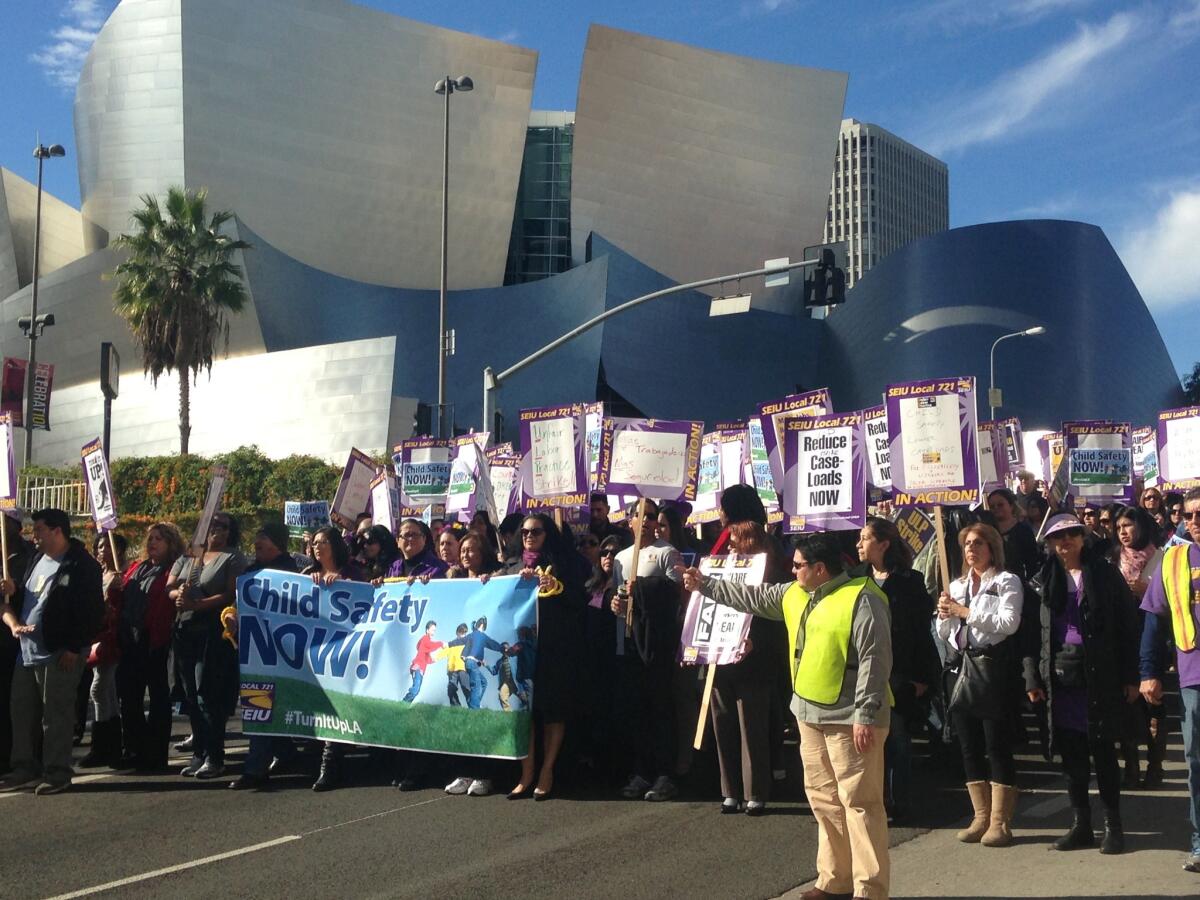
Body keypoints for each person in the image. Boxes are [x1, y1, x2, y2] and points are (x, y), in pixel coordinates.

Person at [681, 533, 892, 900]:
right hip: (809, 713)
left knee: (859, 803)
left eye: (797, 565)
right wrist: (706, 585)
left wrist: (866, 712)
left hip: (851, 718)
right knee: (824, 800)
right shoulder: (794, 594)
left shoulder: (864, 598)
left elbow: (875, 659)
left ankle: (870, 890)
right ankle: (834, 879)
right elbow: (749, 597)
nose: (790, 570)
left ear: (820, 569)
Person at [1026, 514, 1140, 854]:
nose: (1065, 542)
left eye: (1072, 535)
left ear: (1081, 538)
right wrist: (1032, 676)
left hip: (1100, 675)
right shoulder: (1041, 580)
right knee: (1072, 757)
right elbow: (1031, 635)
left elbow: (1127, 625)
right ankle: (1081, 825)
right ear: (1048, 543)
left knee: (1103, 753)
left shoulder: (1104, 575)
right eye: (1057, 537)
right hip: (1060, 677)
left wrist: (1131, 676)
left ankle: (1113, 826)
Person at [0, 509, 104, 795]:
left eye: (40, 530)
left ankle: (57, 772)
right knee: (21, 711)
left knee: (55, 715)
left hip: (60, 652)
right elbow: (27, 599)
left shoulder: (82, 565)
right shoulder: (37, 560)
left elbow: (93, 612)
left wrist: (74, 646)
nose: (35, 537)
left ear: (58, 531)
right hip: (27, 651)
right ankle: (24, 767)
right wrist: (14, 591)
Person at [937, 522, 1023, 848]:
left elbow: (1007, 624)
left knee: (995, 744)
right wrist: (946, 615)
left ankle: (1000, 821)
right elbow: (945, 633)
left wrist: (965, 612)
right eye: (967, 544)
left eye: (978, 544)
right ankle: (980, 816)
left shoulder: (1006, 581)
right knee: (968, 745)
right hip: (961, 667)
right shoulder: (956, 585)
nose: (971, 549)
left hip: (991, 668)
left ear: (992, 548)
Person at [857, 517, 940, 825]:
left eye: (864, 538)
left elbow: (920, 633)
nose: (859, 544)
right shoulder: (856, 579)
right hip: (865, 671)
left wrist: (922, 678)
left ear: (883, 543)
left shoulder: (909, 581)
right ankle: (872, 802)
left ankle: (897, 802)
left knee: (897, 740)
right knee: (867, 742)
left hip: (899, 672)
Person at [502, 514, 587, 800]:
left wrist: (555, 586)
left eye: (536, 531)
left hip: (554, 648)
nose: (529, 536)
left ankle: (547, 770)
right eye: (524, 532)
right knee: (523, 710)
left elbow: (579, 600)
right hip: (521, 649)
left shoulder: (565, 563)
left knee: (553, 710)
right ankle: (526, 773)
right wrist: (488, 582)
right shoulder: (511, 566)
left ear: (547, 534)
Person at [708, 520, 789, 816]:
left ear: (751, 542)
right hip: (721, 658)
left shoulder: (772, 577)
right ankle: (729, 792)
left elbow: (780, 622)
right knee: (723, 724)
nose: (729, 546)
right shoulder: (717, 571)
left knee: (752, 728)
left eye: (735, 540)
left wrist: (758, 642)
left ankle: (755, 792)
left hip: (756, 663)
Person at [1139, 486, 1200, 874]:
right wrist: (1148, 672)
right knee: (1196, 761)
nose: (1195, 521)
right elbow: (1153, 621)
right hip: (1194, 677)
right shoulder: (1172, 560)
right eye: (1189, 515)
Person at [610, 498, 685, 803]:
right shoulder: (621, 558)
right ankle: (642, 770)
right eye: (640, 516)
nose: (647, 521)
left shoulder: (667, 553)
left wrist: (640, 588)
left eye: (652, 516)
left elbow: (676, 594)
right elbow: (617, 595)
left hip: (658, 645)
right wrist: (617, 604)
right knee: (637, 710)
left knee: (661, 709)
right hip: (629, 642)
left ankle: (665, 773)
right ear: (630, 521)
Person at [167, 512, 247, 780]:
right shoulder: (190, 556)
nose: (216, 530)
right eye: (212, 525)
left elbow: (230, 592)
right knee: (190, 694)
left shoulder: (232, 557)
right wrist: (178, 595)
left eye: (222, 527)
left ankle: (215, 756)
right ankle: (198, 751)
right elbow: (171, 584)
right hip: (184, 630)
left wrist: (198, 604)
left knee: (207, 694)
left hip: (211, 632)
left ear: (229, 532)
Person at [230, 523, 302, 791]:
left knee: (262, 706)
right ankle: (284, 754)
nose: (257, 545)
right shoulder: (250, 572)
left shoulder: (291, 573)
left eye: (263, 541)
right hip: (257, 651)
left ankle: (255, 770)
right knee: (261, 706)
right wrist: (230, 614)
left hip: (281, 652)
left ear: (277, 545)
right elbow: (238, 604)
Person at [115, 522, 185, 771]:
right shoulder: (137, 568)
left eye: (159, 539)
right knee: (129, 697)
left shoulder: (175, 571)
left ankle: (155, 754)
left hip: (157, 640)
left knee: (158, 698)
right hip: (131, 639)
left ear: (171, 544)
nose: (152, 543)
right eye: (150, 539)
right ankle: (134, 748)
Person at [304, 527, 364, 791]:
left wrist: (343, 586)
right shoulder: (307, 575)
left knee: (336, 707)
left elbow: (363, 600)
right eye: (315, 543)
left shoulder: (351, 573)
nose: (318, 547)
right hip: (315, 652)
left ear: (335, 545)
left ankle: (329, 766)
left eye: (324, 542)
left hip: (343, 652)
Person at [1113, 505, 1168, 788]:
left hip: (1154, 638)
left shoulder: (1162, 559)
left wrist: (1150, 592)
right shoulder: (1113, 560)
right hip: (1124, 640)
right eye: (1119, 526)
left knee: (1154, 705)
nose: (1123, 531)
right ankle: (1130, 765)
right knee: (1127, 703)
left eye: (1128, 525)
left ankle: (1155, 764)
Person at [80, 533, 128, 768]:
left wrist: (117, 593)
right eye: (99, 547)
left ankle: (105, 745)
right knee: (106, 691)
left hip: (112, 639)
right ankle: (108, 747)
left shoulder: (120, 576)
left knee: (99, 689)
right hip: (97, 636)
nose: (102, 551)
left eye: (107, 546)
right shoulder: (99, 574)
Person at [0, 515, 35, 775]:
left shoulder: (32, 555)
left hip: (20, 638)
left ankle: (20, 756)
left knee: (16, 701)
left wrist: (15, 587)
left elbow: (35, 592)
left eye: (5, 521)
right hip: (4, 624)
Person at [402, 621, 443, 703]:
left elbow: (427, 658)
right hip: (417, 667)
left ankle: (405, 704)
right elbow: (431, 645)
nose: (433, 632)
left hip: (421, 669)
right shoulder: (425, 639)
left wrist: (433, 660)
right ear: (427, 630)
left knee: (417, 690)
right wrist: (441, 643)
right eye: (432, 630)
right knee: (415, 689)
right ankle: (403, 703)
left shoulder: (425, 645)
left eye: (434, 630)